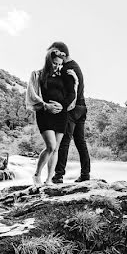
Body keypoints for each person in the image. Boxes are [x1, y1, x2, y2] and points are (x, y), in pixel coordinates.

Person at [26, 49, 77, 185]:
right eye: (54, 63)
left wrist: (63, 105)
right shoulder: (38, 75)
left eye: (59, 64)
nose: (57, 66)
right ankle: (37, 175)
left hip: (61, 115)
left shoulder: (63, 76)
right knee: (51, 146)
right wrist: (45, 105)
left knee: (56, 148)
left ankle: (49, 179)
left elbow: (71, 93)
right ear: (48, 60)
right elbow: (32, 94)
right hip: (45, 113)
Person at [49, 42, 91, 183]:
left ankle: (59, 175)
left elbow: (71, 93)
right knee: (80, 142)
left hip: (72, 109)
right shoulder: (75, 65)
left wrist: (62, 107)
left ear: (62, 54)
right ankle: (85, 174)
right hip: (82, 107)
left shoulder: (67, 69)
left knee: (64, 142)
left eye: (55, 53)